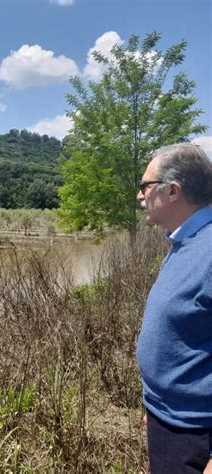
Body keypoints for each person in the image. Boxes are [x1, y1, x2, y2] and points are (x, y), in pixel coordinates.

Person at [136, 143, 212, 473]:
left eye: (145, 186)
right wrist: (155, 405)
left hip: (197, 437)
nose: (140, 196)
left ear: (173, 191)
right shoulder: (183, 242)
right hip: (168, 419)